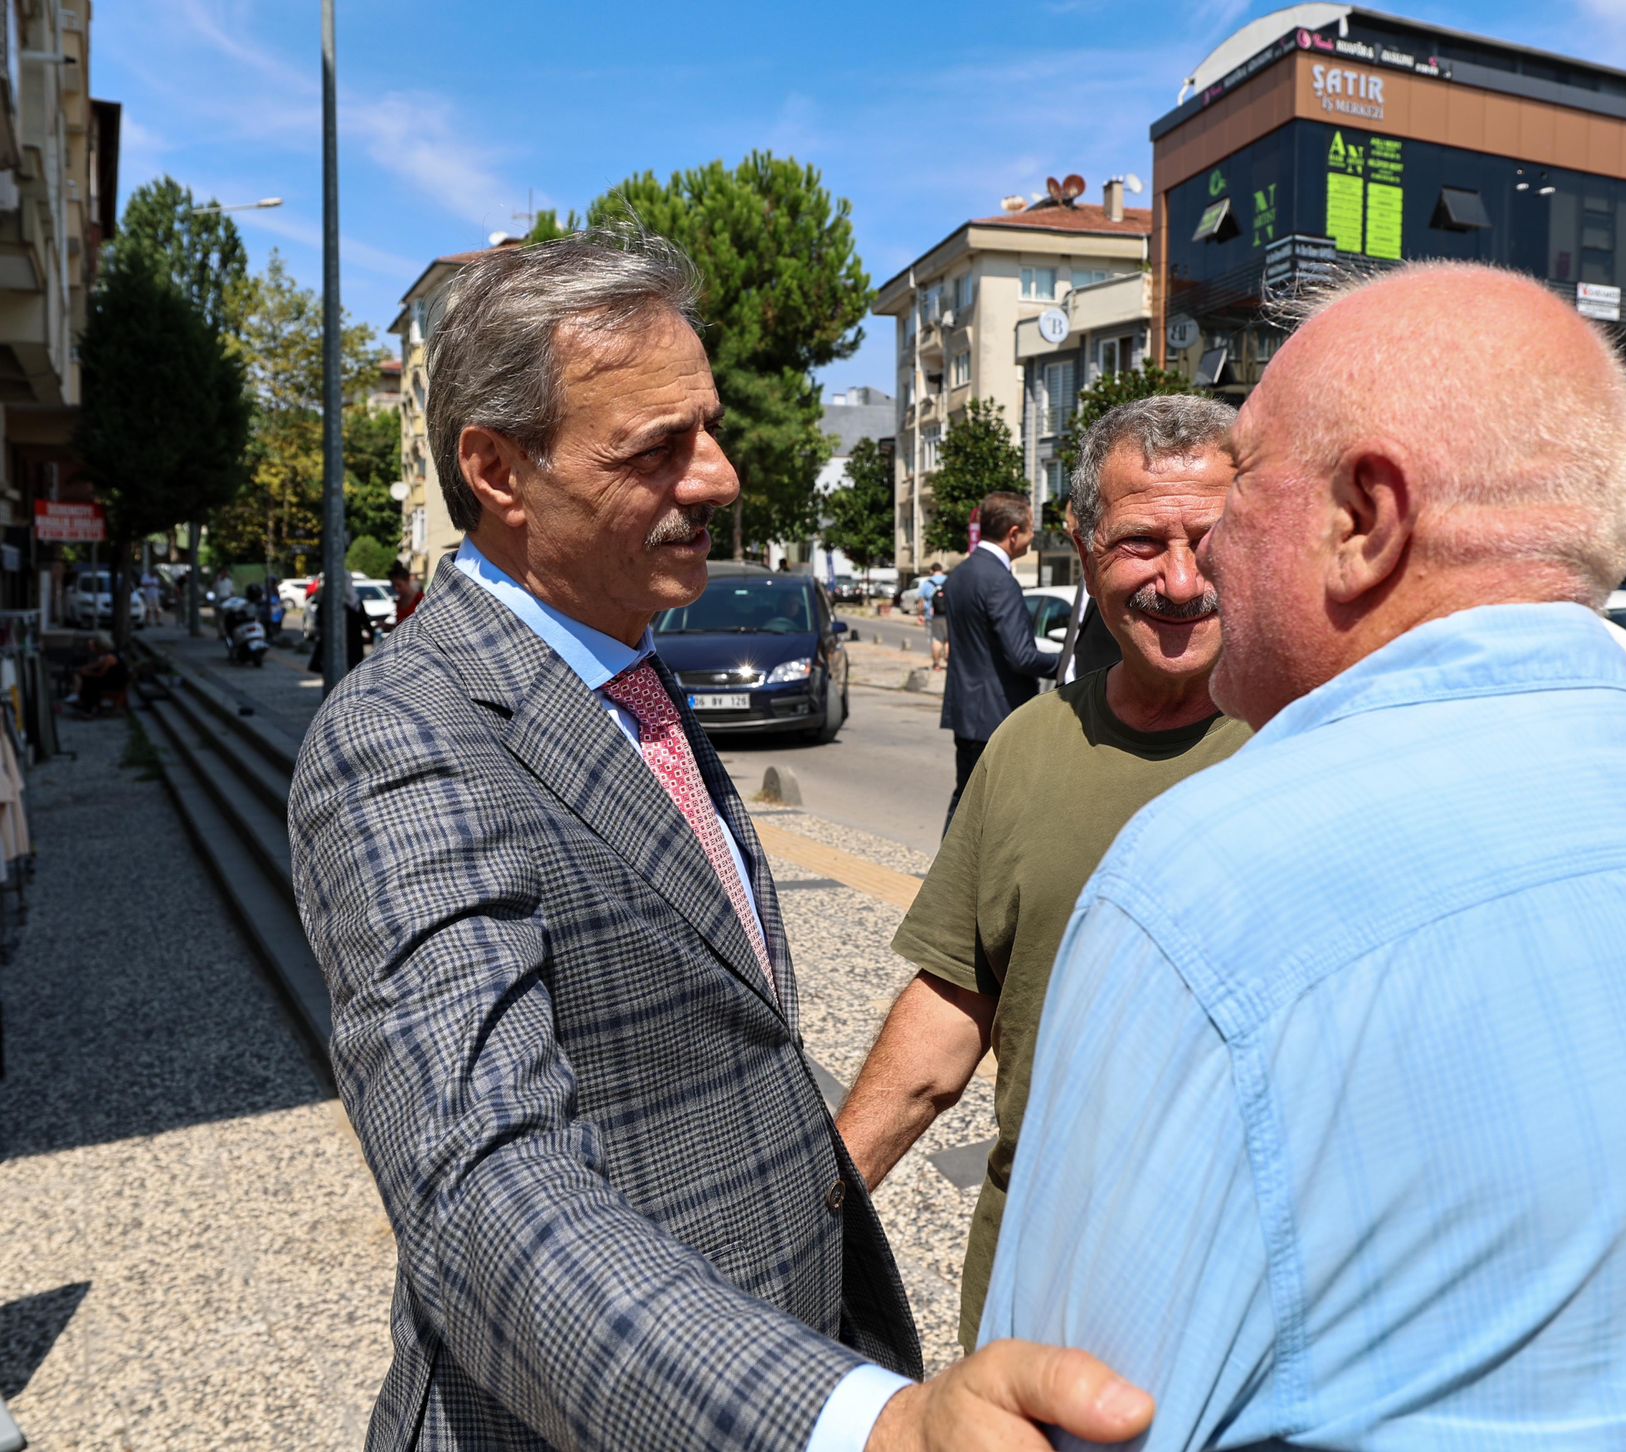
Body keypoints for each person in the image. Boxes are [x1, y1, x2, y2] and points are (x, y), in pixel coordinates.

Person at [981, 263, 1626, 1449]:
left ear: (1363, 520)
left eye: (1246, 487)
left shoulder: (1210, 886)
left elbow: (1057, 1418)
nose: (1205, 551)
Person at [288, 228, 1150, 1452]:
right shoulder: (404, 737)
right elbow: (483, 1189)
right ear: (497, 470)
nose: (720, 476)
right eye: (656, 449)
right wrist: (862, 1427)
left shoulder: (621, 660)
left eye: (708, 425)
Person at [838, 396, 1249, 1354]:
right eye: (1144, 542)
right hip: (1035, 1308)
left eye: (1214, 538)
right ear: (1082, 541)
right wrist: (815, 1208)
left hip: (1249, 1325)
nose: (1183, 582)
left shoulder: (1321, 736)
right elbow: (953, 1010)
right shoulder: (1026, 747)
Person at [937, 493, 1056, 830]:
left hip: (967, 711)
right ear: (1014, 532)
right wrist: (1068, 660)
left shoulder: (960, 574)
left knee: (965, 802)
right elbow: (1021, 656)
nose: (1033, 537)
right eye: (1032, 529)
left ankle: (948, 877)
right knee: (994, 811)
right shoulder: (1000, 582)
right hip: (997, 715)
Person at [64, 634, 128, 715]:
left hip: (115, 683)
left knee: (89, 682)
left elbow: (100, 674)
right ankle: (81, 701)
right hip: (110, 679)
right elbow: (96, 664)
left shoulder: (109, 658)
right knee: (86, 678)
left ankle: (87, 707)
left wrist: (88, 673)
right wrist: (85, 668)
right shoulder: (108, 655)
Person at [917, 561, 949, 670]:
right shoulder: (949, 580)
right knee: (948, 639)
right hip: (948, 615)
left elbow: (921, 601)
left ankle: (936, 664)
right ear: (941, 570)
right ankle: (949, 662)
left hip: (933, 616)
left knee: (936, 639)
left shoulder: (927, 583)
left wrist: (920, 614)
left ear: (932, 570)